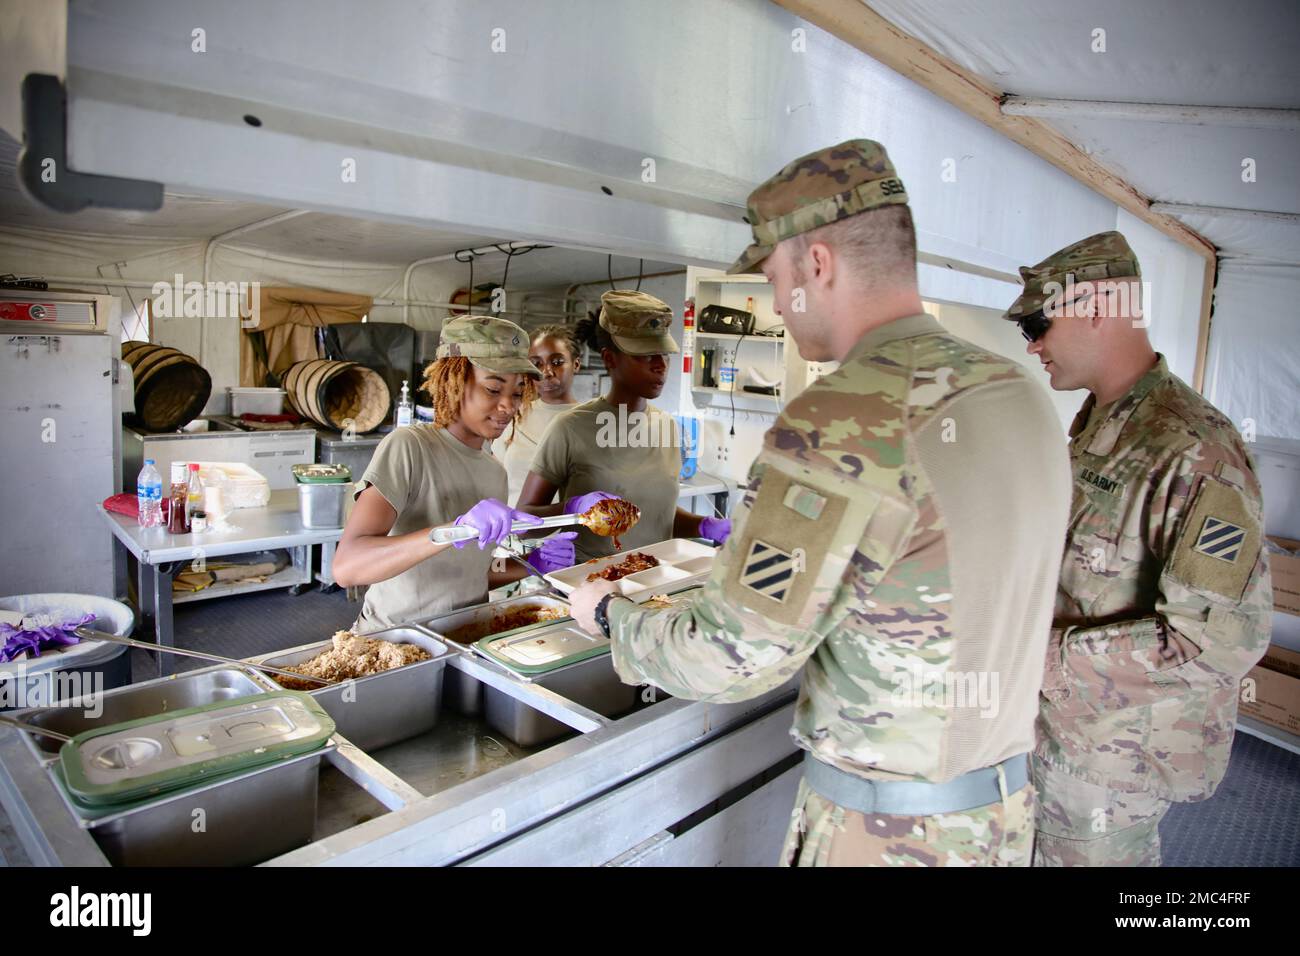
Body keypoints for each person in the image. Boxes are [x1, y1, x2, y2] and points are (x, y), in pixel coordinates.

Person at [569, 139, 1072, 866]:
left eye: (773, 275)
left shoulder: (849, 413)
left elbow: (733, 656)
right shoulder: (1015, 388)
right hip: (1000, 815)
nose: (774, 302)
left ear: (816, 263)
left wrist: (612, 617)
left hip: (893, 834)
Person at [1004, 231, 1272, 866]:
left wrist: (1038, 656)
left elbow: (1219, 638)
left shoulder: (1193, 447)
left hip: (1109, 759)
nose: (1034, 344)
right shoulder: (1101, 420)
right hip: (1055, 735)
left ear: (1096, 306)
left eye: (1039, 323)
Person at [332, 316, 576, 632]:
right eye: (493, 388)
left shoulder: (494, 472)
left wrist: (532, 564)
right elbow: (348, 566)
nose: (508, 406)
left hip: (463, 637)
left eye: (517, 393)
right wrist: (453, 530)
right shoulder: (410, 447)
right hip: (394, 640)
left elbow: (476, 571)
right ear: (455, 381)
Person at [516, 289, 730, 557]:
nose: (660, 365)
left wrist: (706, 526)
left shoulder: (666, 427)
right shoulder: (570, 428)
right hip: (590, 585)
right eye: (645, 355)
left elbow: (656, 518)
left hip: (654, 585)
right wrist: (574, 509)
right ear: (609, 358)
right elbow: (523, 524)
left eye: (664, 354)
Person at [494, 324, 583, 506]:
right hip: (513, 530)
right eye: (536, 364)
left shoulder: (590, 421)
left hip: (570, 532)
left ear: (576, 364)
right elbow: (495, 478)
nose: (546, 372)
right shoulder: (514, 415)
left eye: (557, 362)